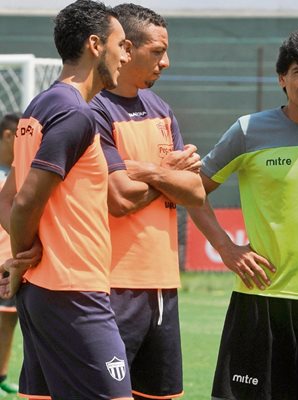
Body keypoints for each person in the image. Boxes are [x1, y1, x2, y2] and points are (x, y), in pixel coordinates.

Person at [187, 28, 298, 400]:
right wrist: (226, 247)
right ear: (281, 79)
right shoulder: (248, 130)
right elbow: (193, 190)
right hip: (260, 302)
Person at [0, 1, 133, 399]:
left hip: (47, 290)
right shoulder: (76, 114)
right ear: (95, 45)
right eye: (121, 44)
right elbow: (22, 203)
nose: (126, 55)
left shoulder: (39, 106)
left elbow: (6, 199)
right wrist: (27, 253)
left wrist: (27, 258)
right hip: (72, 292)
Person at [90, 3, 204, 399]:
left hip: (164, 285)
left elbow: (195, 191)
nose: (166, 62)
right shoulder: (93, 109)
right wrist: (170, 172)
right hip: (110, 285)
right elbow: (119, 197)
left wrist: (154, 171)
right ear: (127, 48)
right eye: (157, 51)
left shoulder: (162, 110)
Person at [0, 113, 19, 397]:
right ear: (7, 135)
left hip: (11, 261)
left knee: (9, 319)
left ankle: (2, 374)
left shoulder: (19, 172)